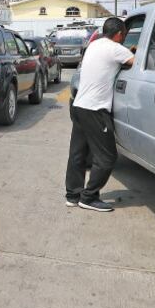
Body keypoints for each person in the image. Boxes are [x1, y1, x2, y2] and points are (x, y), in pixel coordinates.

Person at [65, 16, 134, 212]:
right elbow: (136, 62)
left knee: (77, 154)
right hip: (95, 110)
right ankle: (89, 198)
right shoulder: (115, 48)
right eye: (124, 35)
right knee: (107, 157)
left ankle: (72, 195)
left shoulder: (94, 45)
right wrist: (132, 51)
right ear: (120, 34)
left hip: (78, 106)